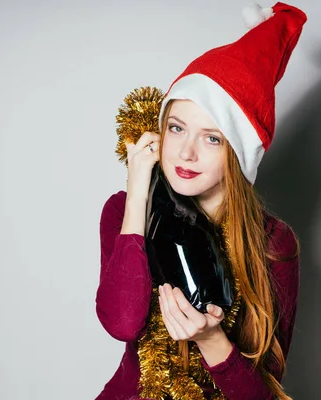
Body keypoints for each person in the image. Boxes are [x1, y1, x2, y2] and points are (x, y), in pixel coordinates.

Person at [95, 3, 307, 399]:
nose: (185, 153)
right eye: (177, 129)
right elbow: (123, 322)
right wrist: (139, 188)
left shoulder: (274, 244)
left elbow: (266, 391)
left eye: (212, 138)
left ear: (238, 152)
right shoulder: (122, 210)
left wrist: (213, 342)